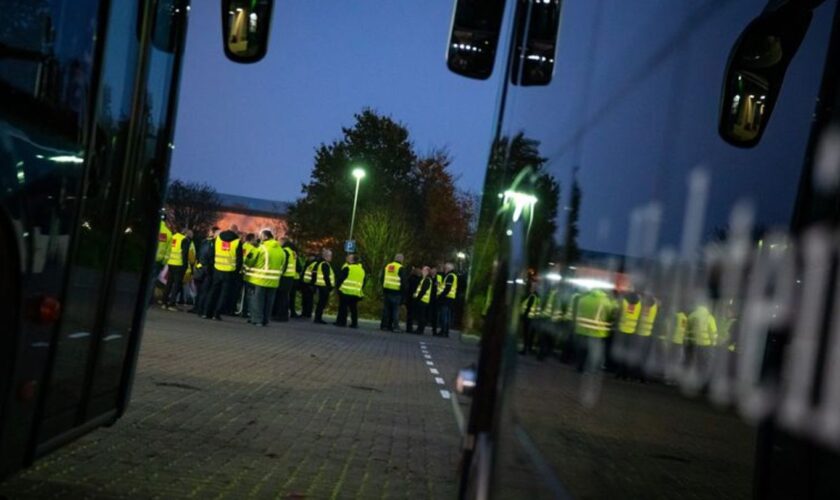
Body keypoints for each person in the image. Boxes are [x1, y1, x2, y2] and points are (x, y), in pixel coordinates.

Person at [201, 224, 243, 320]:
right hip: (229, 271)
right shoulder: (237, 241)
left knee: (213, 291)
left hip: (217, 268)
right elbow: (239, 259)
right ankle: (216, 314)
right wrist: (236, 271)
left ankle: (206, 312)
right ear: (235, 231)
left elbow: (212, 253)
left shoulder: (219, 238)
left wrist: (212, 266)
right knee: (223, 294)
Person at [245, 229, 284, 326]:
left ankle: (257, 320)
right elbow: (283, 265)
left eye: (260, 236)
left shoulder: (261, 248)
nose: (259, 238)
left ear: (265, 237)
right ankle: (265, 320)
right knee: (269, 302)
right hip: (274, 281)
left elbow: (250, 261)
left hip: (260, 279)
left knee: (257, 301)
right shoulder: (281, 250)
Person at [573, 288, 617, 373]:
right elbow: (610, 315)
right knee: (593, 352)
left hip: (581, 328)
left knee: (582, 350)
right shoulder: (606, 302)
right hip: (597, 331)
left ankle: (579, 367)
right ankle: (590, 369)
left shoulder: (583, 298)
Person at [191, 226, 219, 314]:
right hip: (207, 269)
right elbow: (209, 256)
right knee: (204, 290)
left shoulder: (204, 242)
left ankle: (197, 307)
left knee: (200, 290)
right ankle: (200, 308)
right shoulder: (212, 243)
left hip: (200, 268)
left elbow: (199, 255)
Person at [163, 226, 191, 311]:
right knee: (176, 285)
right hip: (179, 264)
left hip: (171, 263)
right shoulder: (184, 239)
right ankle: (172, 304)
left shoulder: (173, 236)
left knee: (169, 283)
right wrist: (185, 265)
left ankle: (164, 302)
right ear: (185, 233)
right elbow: (184, 253)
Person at [335, 254, 366, 328]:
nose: (347, 259)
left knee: (343, 307)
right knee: (354, 309)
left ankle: (341, 322)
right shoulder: (362, 270)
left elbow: (340, 279)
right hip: (356, 293)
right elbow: (364, 281)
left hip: (345, 291)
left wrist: (338, 288)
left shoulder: (348, 268)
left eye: (349, 258)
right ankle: (354, 323)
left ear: (352, 260)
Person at [380, 254, 405, 332]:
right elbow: (403, 282)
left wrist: (384, 287)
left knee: (386, 309)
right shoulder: (401, 268)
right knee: (395, 310)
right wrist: (402, 292)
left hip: (387, 291)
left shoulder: (388, 266)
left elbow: (382, 278)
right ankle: (395, 327)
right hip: (396, 292)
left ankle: (384, 325)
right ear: (401, 260)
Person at [272, 238, 295, 322]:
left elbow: (284, 264)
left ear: (283, 242)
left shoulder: (285, 251)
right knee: (285, 297)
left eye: (279, 242)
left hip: (284, 277)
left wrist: (280, 274)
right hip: (290, 277)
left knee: (281, 297)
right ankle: (283, 315)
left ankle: (280, 315)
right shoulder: (292, 252)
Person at [236, 233, 258, 317]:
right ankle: (245, 311)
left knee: (239, 292)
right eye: (255, 239)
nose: (256, 241)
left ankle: (238, 309)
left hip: (240, 271)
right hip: (248, 273)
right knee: (247, 294)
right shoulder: (253, 249)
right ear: (251, 239)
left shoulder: (243, 246)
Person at [436, 262, 458, 337]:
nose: (444, 269)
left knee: (444, 316)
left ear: (448, 268)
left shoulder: (450, 276)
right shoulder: (453, 276)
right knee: (447, 316)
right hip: (451, 298)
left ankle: (443, 331)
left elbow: (447, 288)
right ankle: (446, 331)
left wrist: (441, 296)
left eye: (445, 268)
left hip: (447, 298)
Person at [313, 249, 334, 324]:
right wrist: (330, 286)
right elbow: (326, 276)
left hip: (322, 286)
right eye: (330, 256)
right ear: (326, 256)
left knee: (321, 303)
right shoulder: (325, 264)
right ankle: (318, 318)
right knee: (322, 303)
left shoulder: (323, 263)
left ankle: (318, 318)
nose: (331, 257)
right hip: (324, 286)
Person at [520, 283, 541, 355]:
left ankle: (525, 350)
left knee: (526, 335)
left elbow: (528, 309)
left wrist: (523, 317)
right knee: (530, 336)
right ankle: (529, 349)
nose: (531, 288)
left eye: (532, 287)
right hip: (533, 320)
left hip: (528, 319)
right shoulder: (538, 297)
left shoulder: (532, 296)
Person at [413, 266, 433, 335]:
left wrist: (417, 298)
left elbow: (423, 290)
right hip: (423, 300)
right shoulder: (424, 279)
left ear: (427, 272)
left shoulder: (427, 279)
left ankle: (420, 329)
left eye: (423, 270)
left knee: (421, 316)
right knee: (421, 316)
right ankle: (419, 329)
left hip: (423, 300)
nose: (422, 271)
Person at [300, 254, 319, 318]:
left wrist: (312, 285)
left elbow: (315, 276)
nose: (309, 257)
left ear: (313, 257)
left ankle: (307, 313)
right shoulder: (308, 263)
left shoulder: (315, 264)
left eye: (310, 256)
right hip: (305, 284)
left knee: (309, 300)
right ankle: (304, 313)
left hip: (310, 285)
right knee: (305, 300)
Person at [405, 266, 422, 333]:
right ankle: (411, 328)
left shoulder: (410, 278)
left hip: (409, 298)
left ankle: (409, 327)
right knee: (413, 314)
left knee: (409, 314)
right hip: (415, 298)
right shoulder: (420, 280)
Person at [288, 243, 303, 318]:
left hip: (288, 278)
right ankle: (292, 312)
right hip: (295, 279)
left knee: (287, 296)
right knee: (292, 297)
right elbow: (299, 268)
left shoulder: (287, 253)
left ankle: (289, 311)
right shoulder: (295, 256)